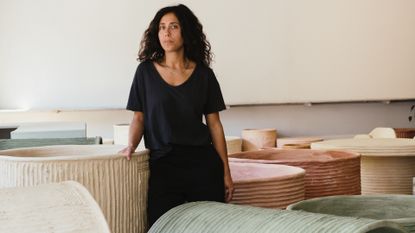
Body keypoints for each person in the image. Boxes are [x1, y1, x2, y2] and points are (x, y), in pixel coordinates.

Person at [120, 4, 234, 228]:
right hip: (163, 165)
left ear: (186, 32)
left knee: (211, 227)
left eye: (173, 26)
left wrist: (226, 173)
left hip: (202, 164)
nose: (166, 33)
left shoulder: (204, 75)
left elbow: (215, 125)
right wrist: (131, 145)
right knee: (161, 226)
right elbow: (139, 118)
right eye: (162, 27)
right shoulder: (145, 72)